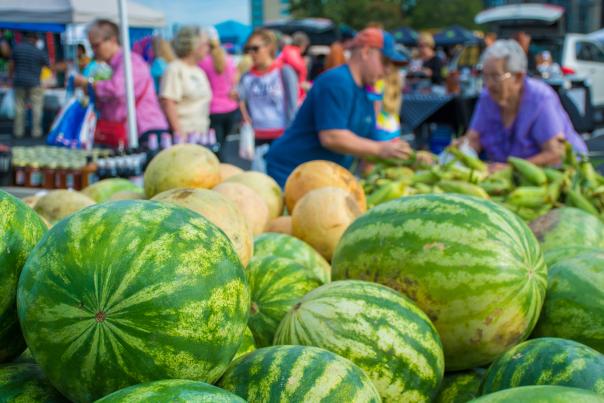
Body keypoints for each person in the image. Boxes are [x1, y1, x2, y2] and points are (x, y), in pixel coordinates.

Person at [265, 28, 412, 187]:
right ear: (366, 51)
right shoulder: (336, 81)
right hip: (289, 172)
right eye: (385, 62)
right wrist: (380, 149)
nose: (388, 70)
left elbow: (370, 139)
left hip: (317, 178)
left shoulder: (365, 92)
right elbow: (331, 137)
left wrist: (409, 157)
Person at [459, 40, 587, 170]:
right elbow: (474, 138)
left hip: (558, 174)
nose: (488, 84)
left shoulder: (540, 98)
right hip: (509, 178)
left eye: (495, 76)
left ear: (518, 77)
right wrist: (462, 147)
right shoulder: (487, 97)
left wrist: (510, 169)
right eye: (485, 76)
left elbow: (556, 153)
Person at [74, 19, 167, 147]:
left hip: (145, 131)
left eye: (96, 45)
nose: (93, 51)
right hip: (135, 132)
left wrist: (87, 84)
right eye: (91, 46)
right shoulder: (117, 64)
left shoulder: (130, 61)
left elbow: (116, 89)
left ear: (112, 40)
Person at [239, 29, 298, 167]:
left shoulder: (284, 71)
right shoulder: (246, 76)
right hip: (258, 137)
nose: (251, 53)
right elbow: (239, 98)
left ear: (269, 47)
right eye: (247, 49)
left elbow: (293, 105)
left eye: (255, 48)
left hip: (282, 136)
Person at [160, 26, 212, 143]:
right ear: (193, 45)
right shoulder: (174, 68)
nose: (208, 48)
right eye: (205, 44)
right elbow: (169, 103)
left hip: (201, 134)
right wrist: (180, 134)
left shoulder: (199, 71)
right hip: (185, 136)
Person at [199, 29, 239, 160]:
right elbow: (234, 81)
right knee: (222, 145)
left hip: (214, 109)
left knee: (216, 148)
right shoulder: (228, 59)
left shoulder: (203, 62)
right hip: (231, 108)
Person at [11, 31, 49, 138]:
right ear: (35, 39)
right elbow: (48, 65)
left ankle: (18, 132)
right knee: (37, 108)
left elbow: (11, 65)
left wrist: (10, 78)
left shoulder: (17, 49)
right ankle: (36, 132)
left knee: (19, 108)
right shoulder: (38, 51)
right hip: (34, 83)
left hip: (19, 81)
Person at [278, 31, 310, 101]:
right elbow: (300, 68)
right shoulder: (291, 52)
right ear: (303, 45)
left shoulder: (288, 51)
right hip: (290, 92)